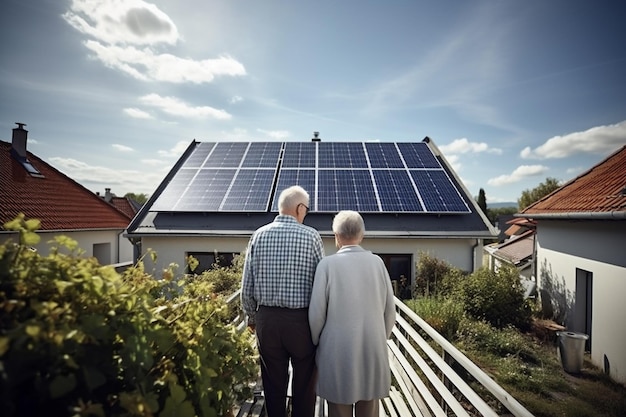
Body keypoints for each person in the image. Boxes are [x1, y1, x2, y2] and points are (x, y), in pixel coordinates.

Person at [241, 185, 325, 417]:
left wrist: (252, 316)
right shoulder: (312, 237)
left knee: (272, 383)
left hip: (267, 320)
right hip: (302, 322)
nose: (306, 213)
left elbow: (246, 284)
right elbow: (321, 283)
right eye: (306, 209)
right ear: (299, 208)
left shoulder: (259, 235)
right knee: (305, 383)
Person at [308, 210, 396, 417]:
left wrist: (317, 343)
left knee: (338, 408)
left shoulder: (327, 265)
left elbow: (316, 315)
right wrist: (380, 336)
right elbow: (389, 312)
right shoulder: (377, 263)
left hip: (337, 351)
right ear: (362, 234)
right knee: (369, 405)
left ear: (336, 236)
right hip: (372, 348)